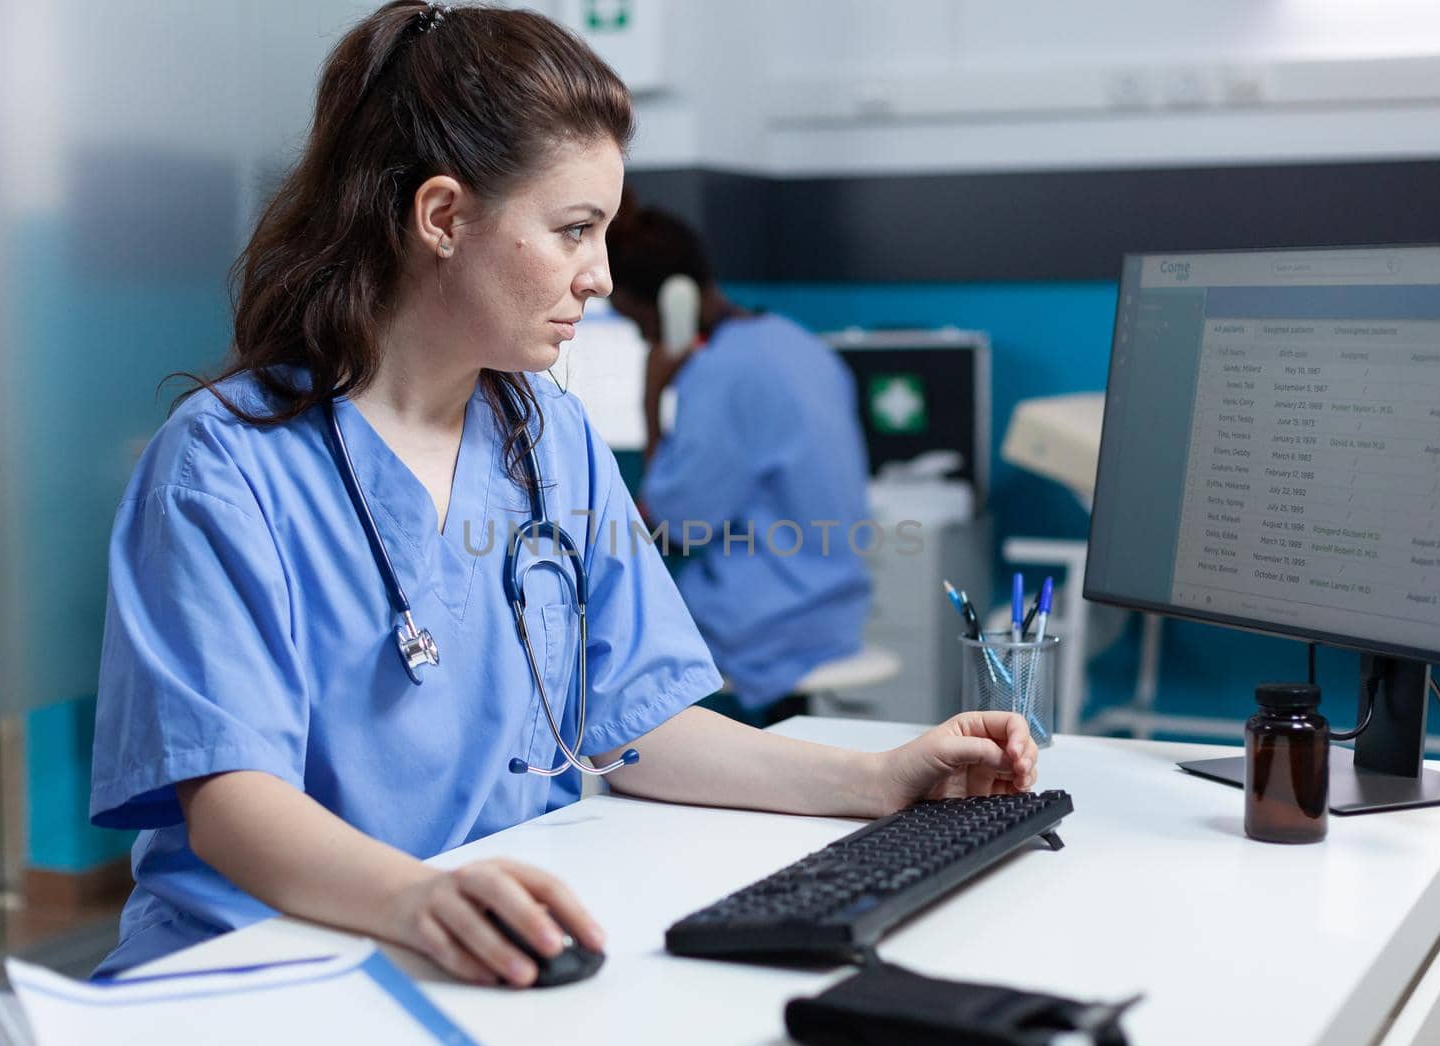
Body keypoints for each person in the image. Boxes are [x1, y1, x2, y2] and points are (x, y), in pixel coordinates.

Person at [90, 1, 1038, 990]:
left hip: (485, 944)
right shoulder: (225, 464)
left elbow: (636, 723)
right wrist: (415, 900)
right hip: (267, 962)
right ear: (443, 217)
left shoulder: (546, 437)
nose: (600, 277)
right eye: (575, 229)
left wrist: (875, 777)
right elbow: (233, 801)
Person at [605, 202, 873, 722]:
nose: (642, 339)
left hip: (768, 624)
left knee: (595, 628)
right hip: (832, 610)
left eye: (637, 324)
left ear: (669, 303)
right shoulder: (797, 343)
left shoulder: (722, 373)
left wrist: (652, 400)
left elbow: (675, 525)